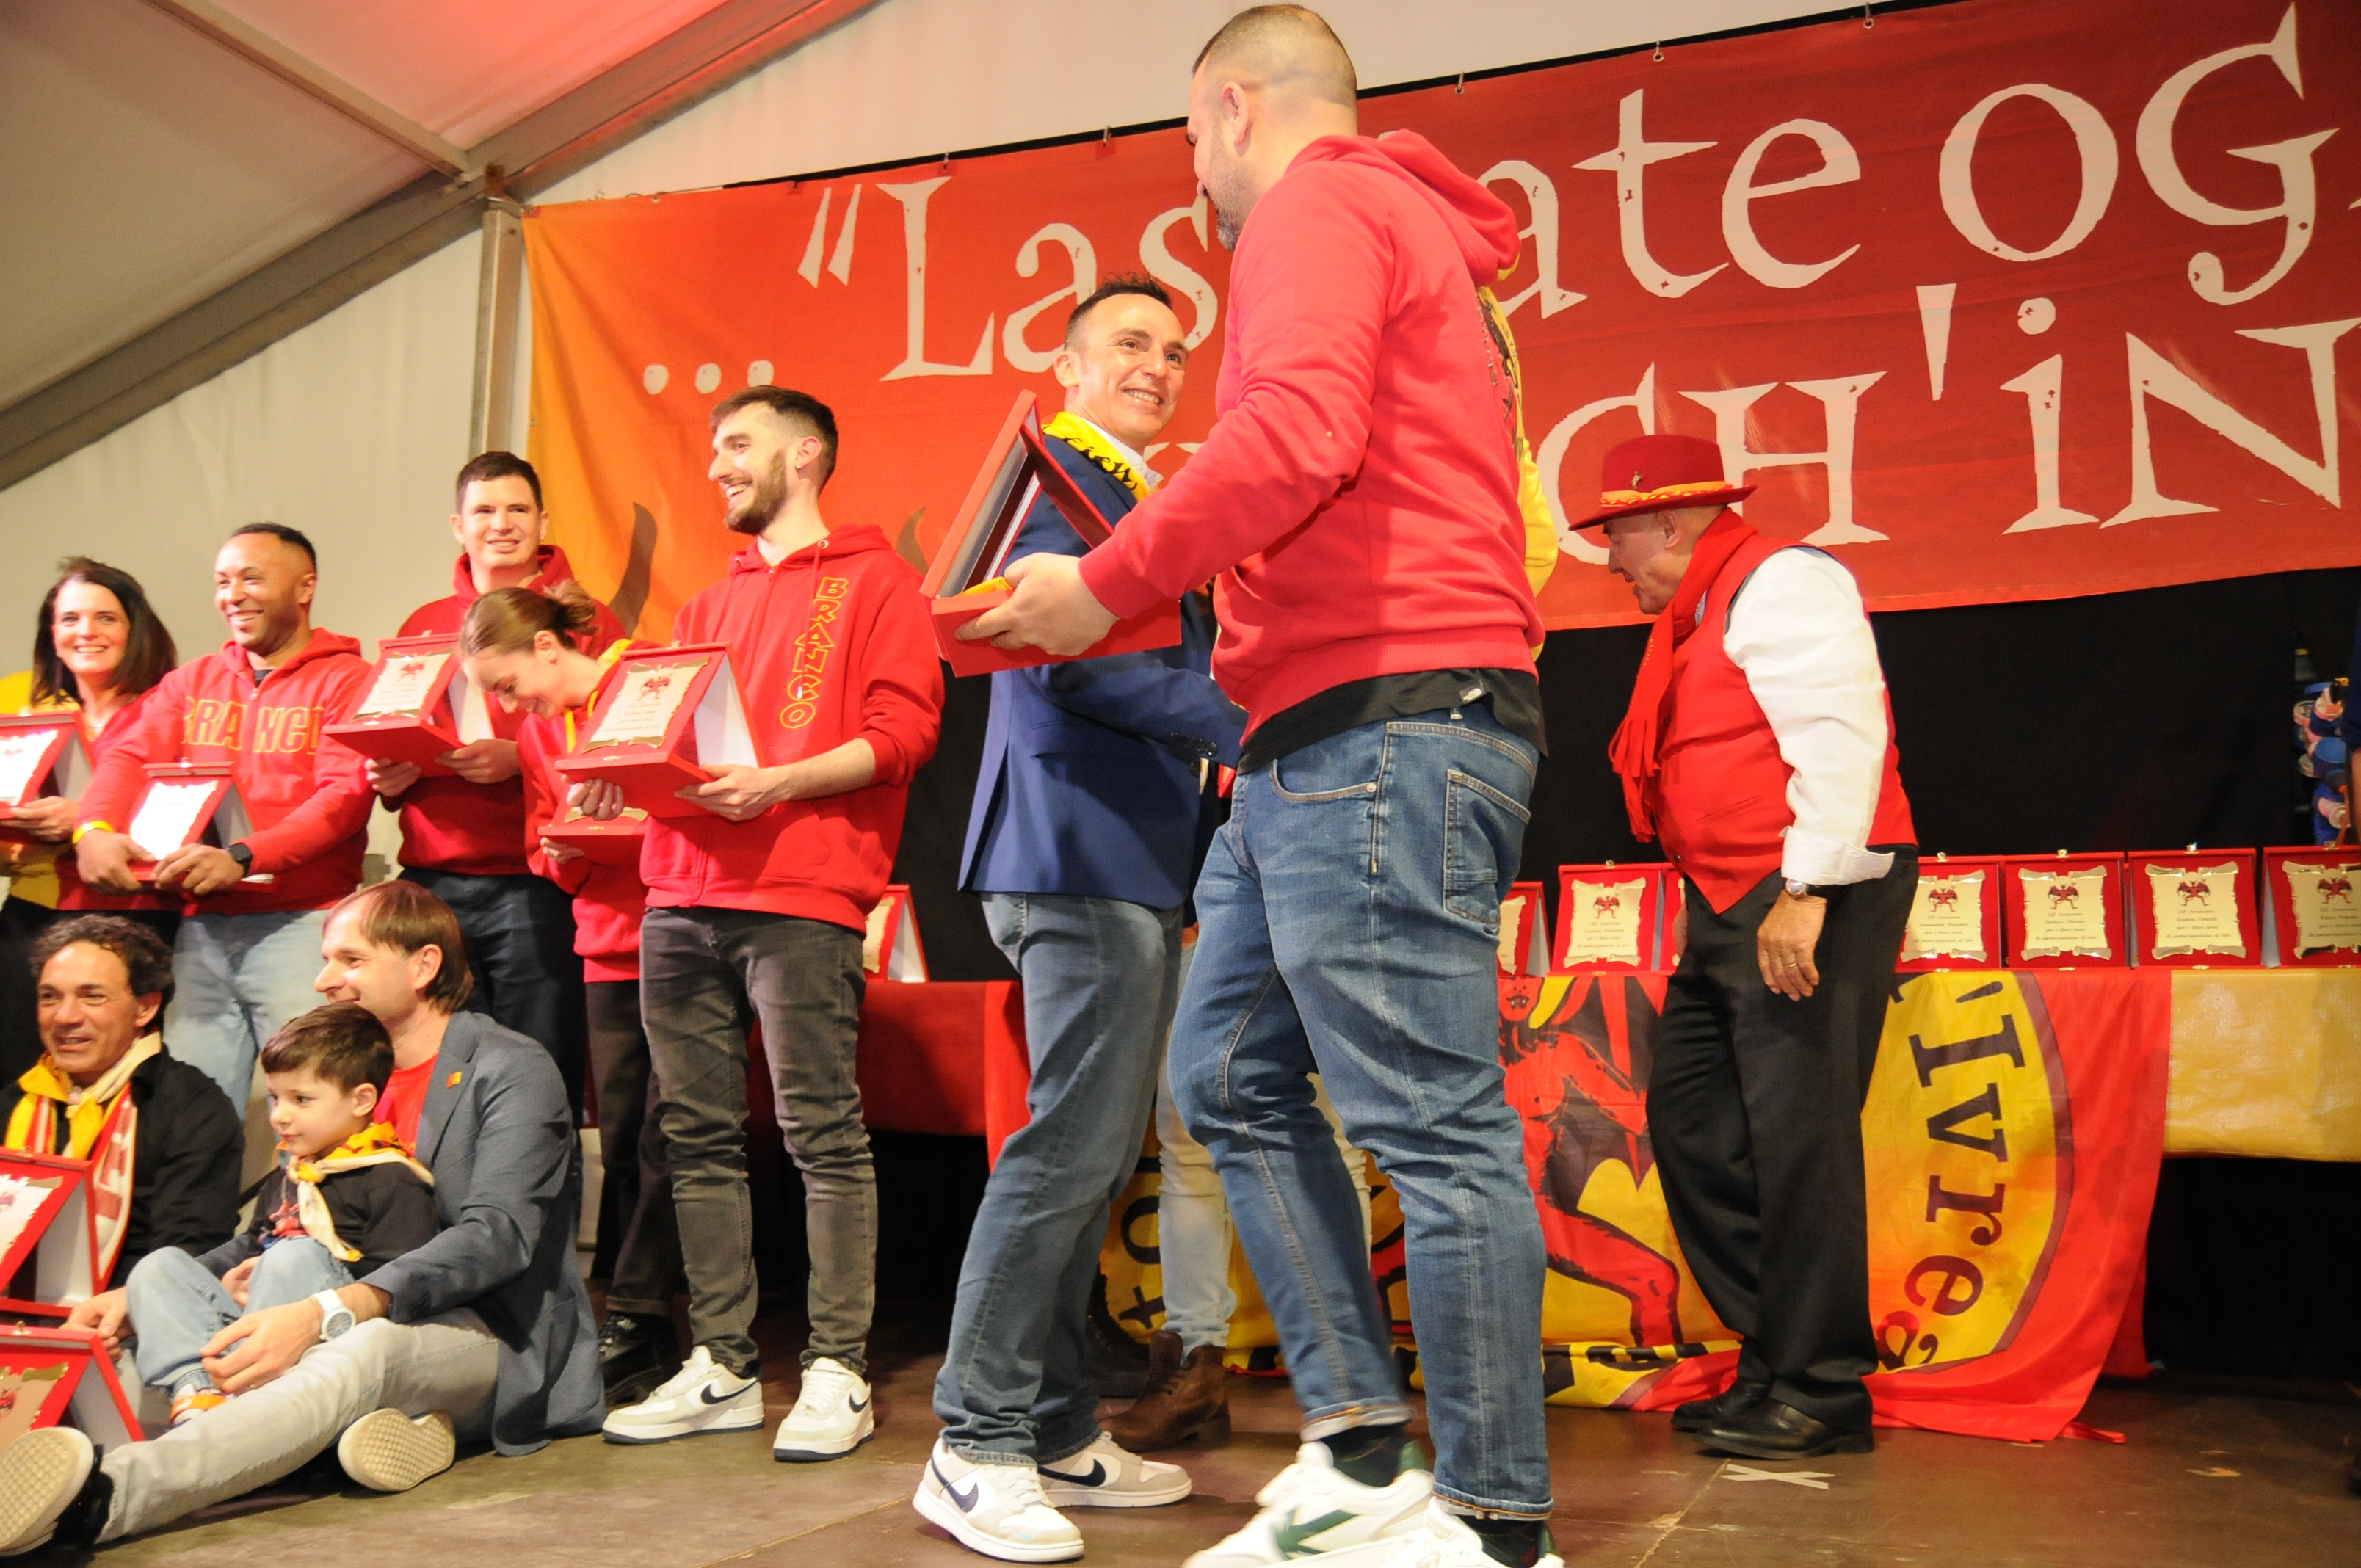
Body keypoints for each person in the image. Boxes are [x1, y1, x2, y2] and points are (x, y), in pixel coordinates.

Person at [963, 10, 1562, 1567]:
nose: (1197, 176)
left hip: (1379, 720)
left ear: (1231, 108)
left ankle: (1493, 1521)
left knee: (1430, 1120)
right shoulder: (1403, 230)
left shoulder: (1320, 203)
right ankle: (1361, 1453)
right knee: (1226, 1074)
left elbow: (1297, 436)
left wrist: (1106, 583)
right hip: (1319, 731)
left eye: (1189, 139)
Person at [918, 276, 1244, 1561]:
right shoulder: (1060, 482)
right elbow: (1078, 659)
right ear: (1067, 365)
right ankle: (974, 1439)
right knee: (1067, 1151)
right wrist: (1255, 723)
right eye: (1129, 342)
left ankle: (1054, 1426)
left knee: (1094, 1156)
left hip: (1125, 855)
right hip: (1074, 849)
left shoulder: (1136, 494)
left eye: (1174, 349)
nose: (1157, 364)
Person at [0, 879, 601, 1556]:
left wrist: (327, 1311)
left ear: (424, 965)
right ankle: (350, 1442)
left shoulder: (510, 1067)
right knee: (144, 1351)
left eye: (350, 960)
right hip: (327, 1304)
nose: (324, 980)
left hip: (483, 1331)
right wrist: (133, 1298)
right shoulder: (331, 1073)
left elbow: (498, 1237)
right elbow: (273, 1228)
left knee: (354, 1353)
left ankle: (102, 1499)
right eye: (325, 960)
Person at [590, 385, 942, 1456]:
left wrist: (781, 782)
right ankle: (725, 1365)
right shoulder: (703, 607)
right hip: (677, 896)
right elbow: (676, 743)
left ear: (806, 454)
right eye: (713, 450)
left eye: (738, 444)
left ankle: (837, 1368)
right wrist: (615, 773)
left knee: (821, 1133)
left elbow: (904, 735)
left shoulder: (881, 583)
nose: (717, 467)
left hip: (799, 895)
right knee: (693, 1136)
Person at [1582, 431, 1918, 1460]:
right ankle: (1778, 1354)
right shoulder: (1693, 614)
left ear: (1671, 523)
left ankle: (1822, 1389)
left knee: (1798, 1140)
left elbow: (1841, 738)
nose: (1608, 558)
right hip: (1736, 894)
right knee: (1695, 1126)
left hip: (1805, 886)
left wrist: (1807, 891)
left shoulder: (1783, 580)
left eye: (1619, 535)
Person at [461, 583, 683, 1406]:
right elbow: (538, 841)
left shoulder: (649, 679)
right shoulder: (537, 731)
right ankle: (636, 1321)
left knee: (670, 1136)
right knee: (622, 1140)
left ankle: (643, 1313)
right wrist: (560, 852)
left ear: (549, 648)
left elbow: (689, 799)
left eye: (510, 683)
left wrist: (625, 828)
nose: (508, 704)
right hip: (603, 946)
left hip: (676, 932)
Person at [74, 525, 377, 1112]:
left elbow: (341, 800)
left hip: (304, 927)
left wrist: (243, 856)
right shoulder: (193, 681)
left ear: (305, 588)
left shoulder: (348, 680)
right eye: (222, 581)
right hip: (203, 927)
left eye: (251, 579)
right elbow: (127, 758)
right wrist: (94, 830)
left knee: (314, 1113)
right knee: (190, 1119)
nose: (232, 595)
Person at [368, 453, 624, 1113]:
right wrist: (388, 775)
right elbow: (394, 732)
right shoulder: (423, 624)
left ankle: (539, 1184)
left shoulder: (590, 619)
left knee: (539, 1070)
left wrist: (522, 758)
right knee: (441, 1077)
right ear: (458, 525)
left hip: (537, 882)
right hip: (433, 879)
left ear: (543, 520)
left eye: (517, 509)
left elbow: (612, 741)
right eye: (484, 510)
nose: (501, 524)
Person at [123, 1000, 438, 1425]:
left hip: (325, 1338)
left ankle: (253, 1402)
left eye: (301, 1100)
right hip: (252, 1323)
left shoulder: (390, 1178)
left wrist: (280, 1272)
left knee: (293, 1255)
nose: (279, 1116)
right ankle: (196, 1390)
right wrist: (229, 1276)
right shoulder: (289, 1174)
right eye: (274, 1098)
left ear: (362, 1100)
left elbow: (394, 1285)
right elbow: (253, 1243)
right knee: (158, 1265)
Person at [0, 561, 182, 1085]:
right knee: (17, 1074)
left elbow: (195, 814)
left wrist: (84, 821)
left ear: (135, 628)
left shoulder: (175, 703)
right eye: (70, 619)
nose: (87, 632)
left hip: (142, 917)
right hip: (33, 914)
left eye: (106, 618)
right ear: (51, 634)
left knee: (128, 1083)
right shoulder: (17, 700)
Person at [1, 915, 241, 1290]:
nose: (64, 1016)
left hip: (131, 1309)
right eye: (50, 997)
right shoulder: (14, 1102)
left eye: (92, 996)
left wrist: (123, 1305)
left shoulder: (192, 1107)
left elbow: (190, 1252)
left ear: (145, 1008)